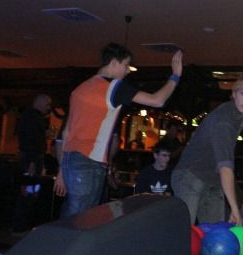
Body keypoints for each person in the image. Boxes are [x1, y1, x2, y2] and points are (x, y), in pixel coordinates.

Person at [54, 43, 183, 218]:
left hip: (71, 161)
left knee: (72, 216)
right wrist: (175, 76)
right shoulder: (112, 87)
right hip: (89, 162)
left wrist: (62, 171)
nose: (128, 70)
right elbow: (157, 100)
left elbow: (66, 133)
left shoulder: (80, 89)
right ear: (114, 62)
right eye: (126, 65)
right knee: (81, 220)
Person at [171, 73, 243, 225]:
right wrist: (235, 208)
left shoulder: (237, 116)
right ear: (234, 94)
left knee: (217, 232)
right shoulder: (225, 121)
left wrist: (239, 203)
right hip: (189, 176)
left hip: (212, 180)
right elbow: (226, 168)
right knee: (185, 232)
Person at [13, 93, 53, 233]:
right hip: (31, 159)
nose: (49, 108)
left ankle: (22, 226)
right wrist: (32, 162)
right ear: (40, 103)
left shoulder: (30, 117)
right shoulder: (33, 118)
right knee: (28, 193)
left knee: (29, 192)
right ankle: (20, 227)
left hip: (31, 159)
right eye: (47, 104)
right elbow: (30, 142)